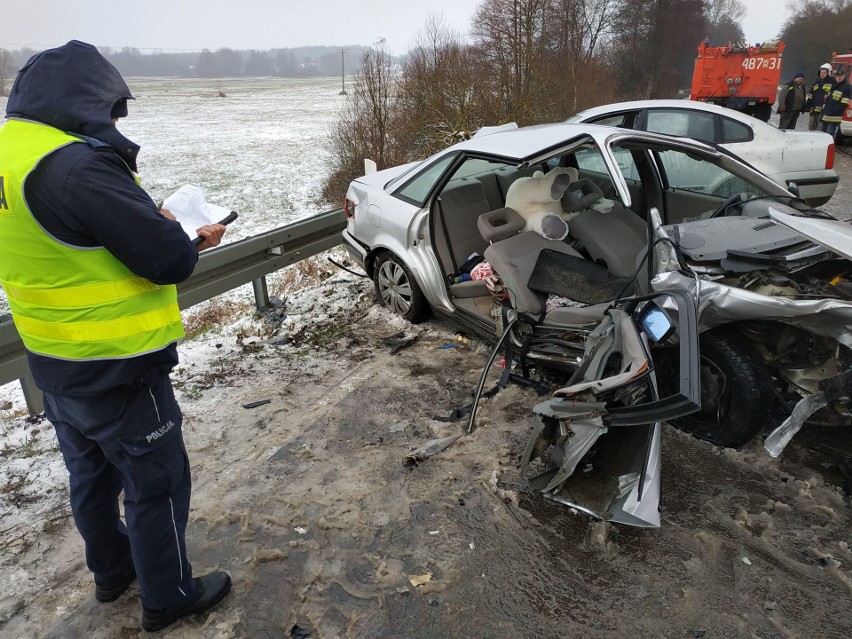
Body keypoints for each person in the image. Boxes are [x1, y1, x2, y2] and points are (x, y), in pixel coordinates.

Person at [0, 41, 231, 632]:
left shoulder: (11, 153)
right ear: (84, 101)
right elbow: (164, 260)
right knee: (157, 482)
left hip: (51, 362)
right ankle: (169, 597)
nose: (112, 122)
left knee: (91, 477)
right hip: (118, 366)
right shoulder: (77, 166)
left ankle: (112, 573)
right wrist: (188, 240)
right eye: (109, 110)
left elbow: (63, 237)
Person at [821, 66, 852, 138]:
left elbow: (845, 102)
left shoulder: (848, 87)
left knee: (829, 135)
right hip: (826, 115)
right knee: (822, 134)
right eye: (837, 76)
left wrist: (834, 110)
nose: (839, 77)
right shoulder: (834, 86)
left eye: (841, 76)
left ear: (844, 76)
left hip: (835, 116)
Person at [806, 63, 836, 131]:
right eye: (821, 72)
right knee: (811, 129)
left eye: (824, 72)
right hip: (814, 110)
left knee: (820, 130)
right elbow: (811, 95)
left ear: (829, 73)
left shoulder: (832, 82)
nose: (822, 74)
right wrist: (807, 106)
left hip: (823, 111)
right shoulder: (817, 82)